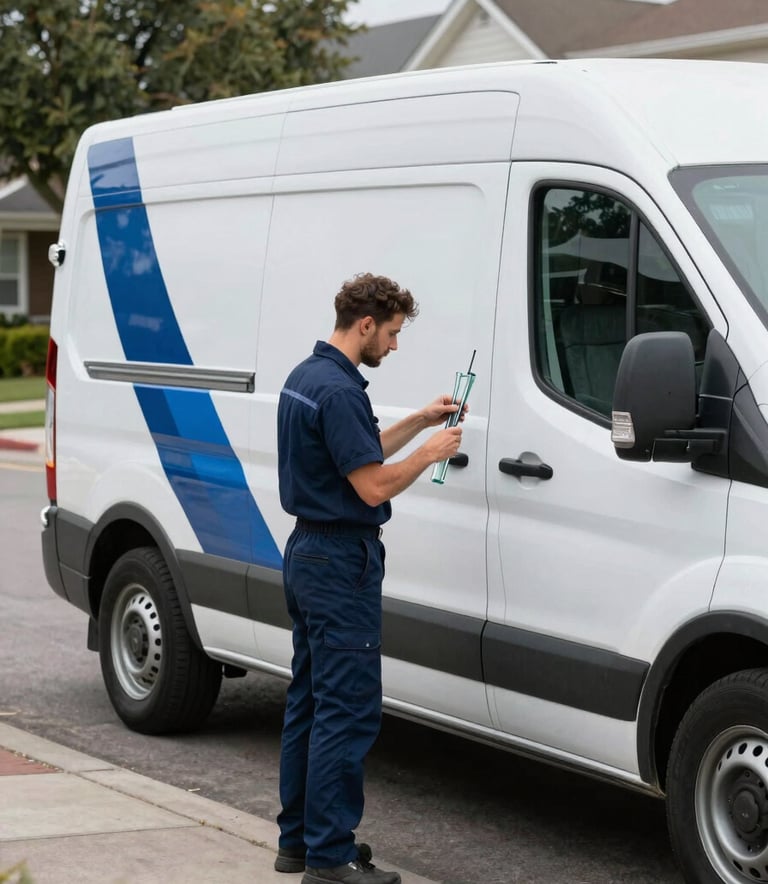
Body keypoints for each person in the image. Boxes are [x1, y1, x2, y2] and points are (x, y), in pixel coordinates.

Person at [274, 273, 465, 884]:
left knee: (309, 702)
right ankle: (331, 859)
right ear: (365, 325)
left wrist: (417, 421)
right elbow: (373, 482)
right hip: (339, 561)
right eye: (392, 333)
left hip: (307, 552)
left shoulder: (308, 377)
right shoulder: (339, 392)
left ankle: (299, 844)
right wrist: (431, 454)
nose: (395, 345)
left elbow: (356, 450)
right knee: (347, 712)